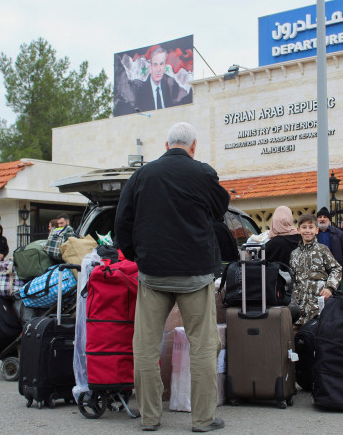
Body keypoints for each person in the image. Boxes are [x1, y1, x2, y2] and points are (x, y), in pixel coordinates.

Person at [114, 122, 228, 432]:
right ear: (193, 147)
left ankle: (150, 418)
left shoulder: (142, 175)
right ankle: (203, 419)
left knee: (146, 347)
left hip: (153, 275)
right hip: (195, 274)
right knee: (203, 347)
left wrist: (138, 255)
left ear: (166, 146)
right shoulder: (204, 174)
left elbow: (122, 223)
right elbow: (220, 211)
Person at [289, 213, 342, 326]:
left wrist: (330, 288)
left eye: (311, 227)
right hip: (300, 309)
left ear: (317, 230)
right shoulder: (294, 254)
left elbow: (336, 269)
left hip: (319, 307)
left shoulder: (323, 250)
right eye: (304, 227)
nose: (307, 230)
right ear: (298, 230)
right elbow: (292, 278)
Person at [135, 47, 191, 112]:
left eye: (161, 64)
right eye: (155, 65)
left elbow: (183, 102)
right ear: (150, 68)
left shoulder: (171, 84)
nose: (158, 69)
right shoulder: (140, 91)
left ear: (165, 67)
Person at [315, 207, 343, 272]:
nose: (322, 219)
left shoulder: (338, 233)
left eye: (325, 217)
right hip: (318, 270)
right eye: (320, 217)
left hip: (335, 269)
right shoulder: (312, 234)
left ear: (329, 220)